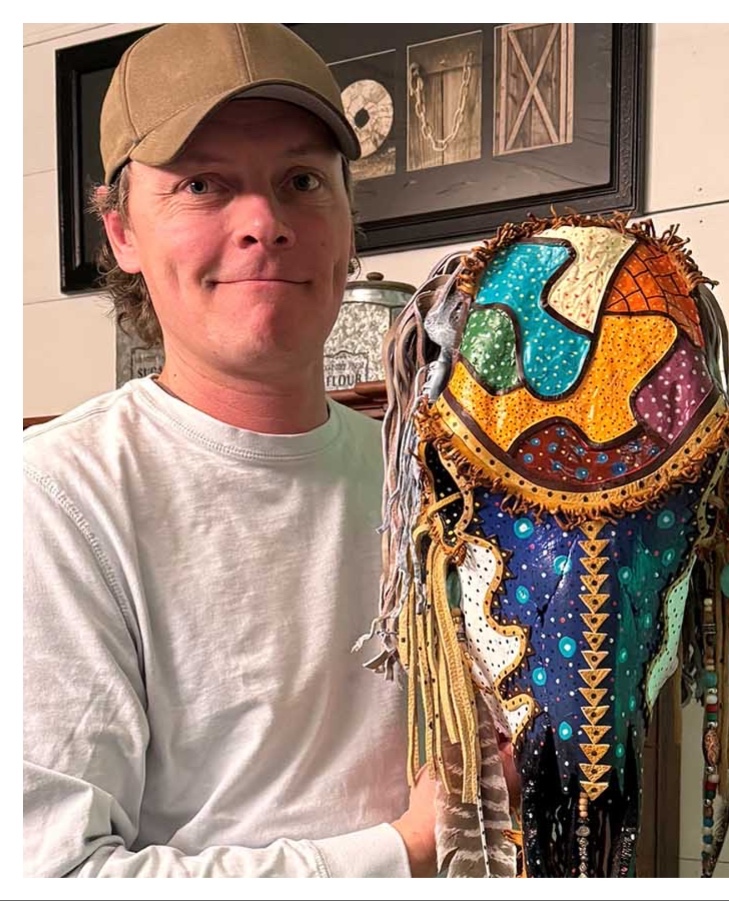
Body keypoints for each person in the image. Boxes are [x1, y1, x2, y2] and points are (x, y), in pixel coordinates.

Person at [22, 23, 462, 877]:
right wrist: (403, 851)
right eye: (202, 184)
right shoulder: (56, 501)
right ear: (120, 234)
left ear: (346, 220)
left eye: (301, 181)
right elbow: (56, 876)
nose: (264, 222)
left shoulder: (426, 477)